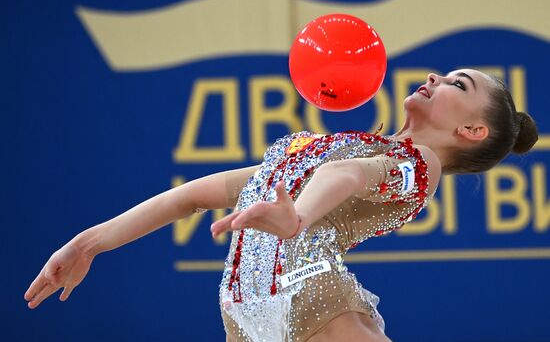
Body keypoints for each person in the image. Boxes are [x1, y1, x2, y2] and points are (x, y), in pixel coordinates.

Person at [25, 69, 538, 342]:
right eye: (444, 74)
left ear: (472, 131)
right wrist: (90, 242)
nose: (435, 78)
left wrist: (297, 218)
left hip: (316, 302)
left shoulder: (419, 162)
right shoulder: (334, 147)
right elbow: (193, 195)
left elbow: (347, 174)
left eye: (456, 84)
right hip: (247, 324)